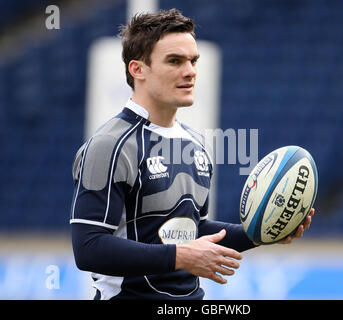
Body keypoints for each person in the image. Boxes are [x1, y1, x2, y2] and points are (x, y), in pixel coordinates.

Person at [70, 8, 315, 300]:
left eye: (193, 60)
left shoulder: (196, 144)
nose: (190, 71)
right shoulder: (109, 145)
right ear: (138, 70)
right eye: (175, 61)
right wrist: (179, 257)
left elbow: (191, 230)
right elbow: (88, 248)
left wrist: (261, 230)